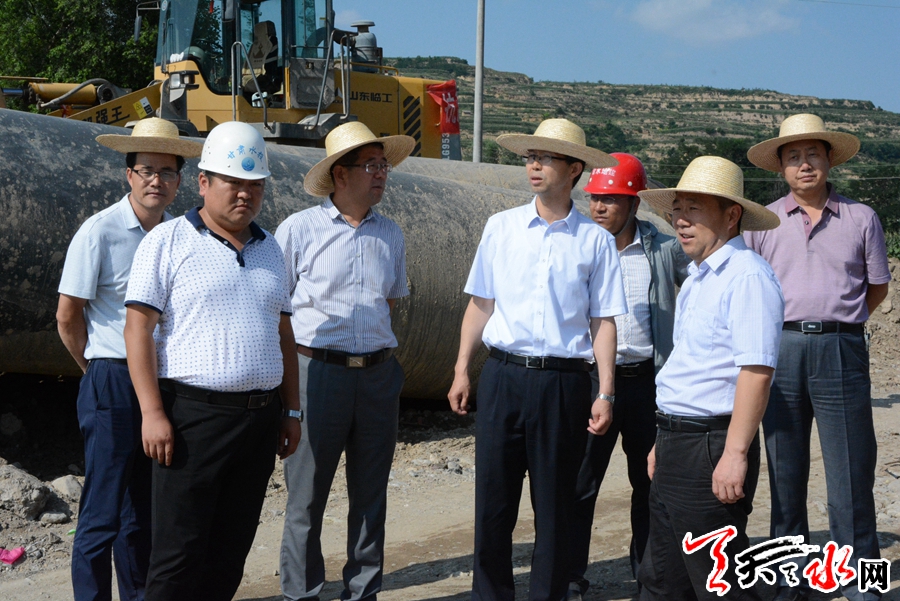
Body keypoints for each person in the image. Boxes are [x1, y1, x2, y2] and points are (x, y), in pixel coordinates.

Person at [448, 118, 627, 601]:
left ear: (574, 169)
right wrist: (462, 368)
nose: (534, 165)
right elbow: (480, 304)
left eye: (545, 158)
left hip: (563, 384)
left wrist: (605, 392)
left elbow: (603, 321)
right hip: (503, 376)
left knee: (554, 508)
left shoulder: (595, 241)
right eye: (531, 157)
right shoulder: (501, 227)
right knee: (493, 504)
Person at [123, 121, 302, 601]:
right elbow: (137, 329)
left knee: (229, 553)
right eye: (233, 182)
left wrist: (291, 410)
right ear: (203, 182)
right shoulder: (168, 241)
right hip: (192, 420)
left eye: (255, 185)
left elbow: (283, 334)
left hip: (259, 422)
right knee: (177, 556)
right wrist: (152, 413)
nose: (245, 194)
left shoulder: (270, 249)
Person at [744, 114, 890, 601]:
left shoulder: (861, 217)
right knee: (785, 471)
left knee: (852, 472)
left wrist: (838, 322)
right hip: (779, 349)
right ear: (781, 167)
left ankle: (863, 582)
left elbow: (876, 288)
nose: (804, 164)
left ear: (830, 160)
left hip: (840, 348)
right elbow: (752, 287)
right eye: (793, 156)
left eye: (812, 154)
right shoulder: (762, 221)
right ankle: (789, 580)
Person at [56, 117, 201, 601]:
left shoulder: (181, 235)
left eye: (167, 171)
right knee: (102, 511)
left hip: (162, 384)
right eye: (147, 170)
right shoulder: (100, 231)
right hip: (113, 379)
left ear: (179, 180)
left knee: (144, 508)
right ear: (129, 174)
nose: (156, 180)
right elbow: (67, 316)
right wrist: (94, 369)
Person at [276, 122, 414, 601]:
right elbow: (278, 310)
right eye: (370, 165)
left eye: (383, 166)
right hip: (317, 374)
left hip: (377, 376)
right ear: (340, 174)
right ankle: (301, 593)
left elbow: (387, 303)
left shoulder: (390, 234)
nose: (381, 174)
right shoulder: (299, 230)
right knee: (306, 496)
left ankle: (362, 591)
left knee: (371, 495)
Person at [636, 156, 784, 600]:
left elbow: (756, 372)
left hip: (710, 445)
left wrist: (735, 454)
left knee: (718, 582)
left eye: (694, 209)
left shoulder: (748, 277)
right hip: (677, 441)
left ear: (731, 214)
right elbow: (690, 368)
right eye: (676, 210)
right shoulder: (698, 277)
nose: (680, 221)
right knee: (663, 577)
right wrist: (663, 440)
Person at [568, 153, 689, 600]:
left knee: (650, 484)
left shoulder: (662, 250)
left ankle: (648, 577)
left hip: (645, 383)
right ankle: (570, 576)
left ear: (635, 204)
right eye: (595, 198)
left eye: (612, 199)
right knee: (580, 483)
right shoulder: (578, 246)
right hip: (590, 383)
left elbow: (704, 273)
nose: (599, 207)